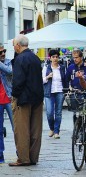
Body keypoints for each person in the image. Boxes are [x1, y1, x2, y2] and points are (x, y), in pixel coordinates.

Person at [9, 34, 44, 166]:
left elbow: (18, 81)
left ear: (18, 45)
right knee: (36, 129)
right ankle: (33, 157)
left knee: (22, 129)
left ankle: (23, 158)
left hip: (23, 98)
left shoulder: (20, 59)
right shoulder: (35, 58)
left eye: (14, 45)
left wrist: (15, 95)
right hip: (37, 97)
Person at [42, 49, 66, 139]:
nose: (55, 59)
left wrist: (66, 89)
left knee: (58, 112)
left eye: (57, 57)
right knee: (49, 112)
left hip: (60, 91)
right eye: (53, 57)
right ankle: (51, 128)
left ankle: (56, 131)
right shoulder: (46, 67)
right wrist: (48, 77)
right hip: (49, 92)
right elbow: (42, 80)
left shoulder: (62, 67)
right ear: (50, 58)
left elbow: (65, 79)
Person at [0, 44, 13, 163]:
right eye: (0, 52)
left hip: (9, 98)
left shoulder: (8, 62)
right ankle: (0, 156)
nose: (3, 54)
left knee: (17, 128)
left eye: (4, 51)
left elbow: (9, 72)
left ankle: (21, 153)